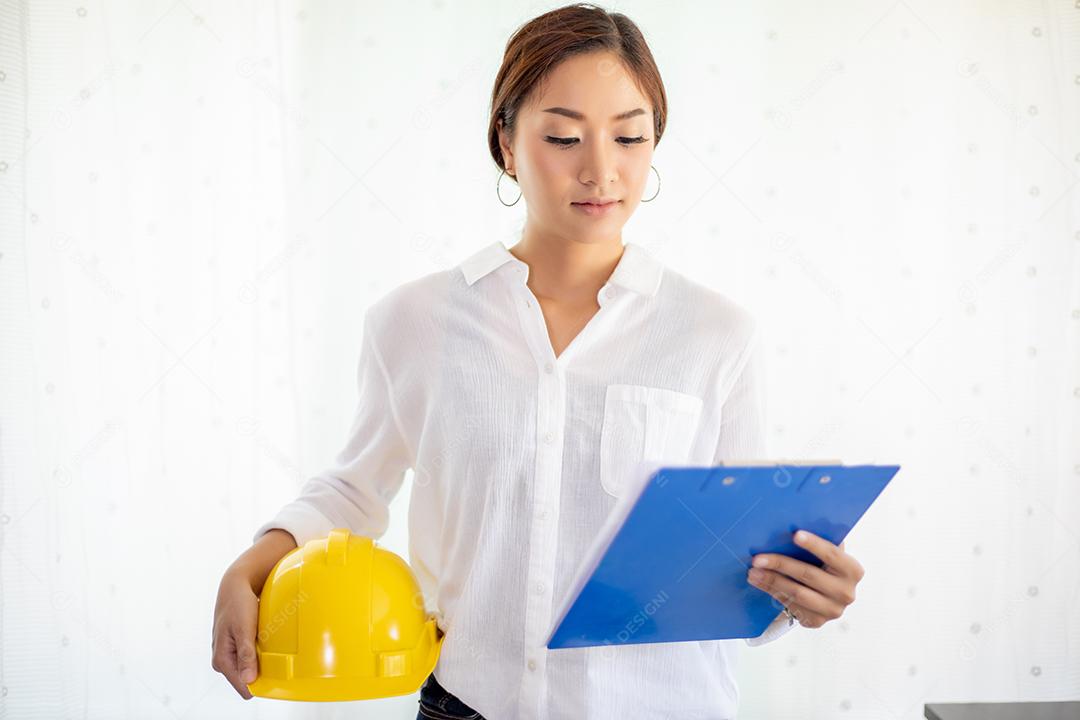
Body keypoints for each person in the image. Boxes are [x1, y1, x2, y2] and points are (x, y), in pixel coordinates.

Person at [211, 4, 866, 718]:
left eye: (629, 137)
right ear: (506, 142)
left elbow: (737, 554)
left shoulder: (716, 334)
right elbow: (353, 491)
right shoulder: (415, 322)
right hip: (469, 704)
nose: (601, 170)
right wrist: (249, 567)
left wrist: (802, 599)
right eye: (563, 136)